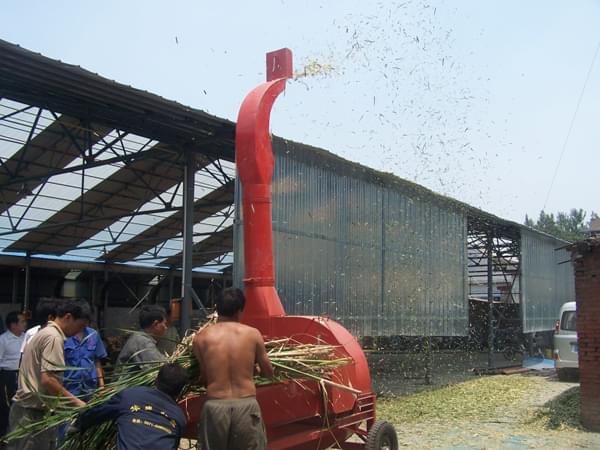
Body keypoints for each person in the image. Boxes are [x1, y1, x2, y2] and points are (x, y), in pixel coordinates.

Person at [192, 288, 273, 450]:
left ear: (217, 309)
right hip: (245, 405)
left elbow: (204, 377)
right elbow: (268, 373)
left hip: (215, 407)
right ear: (239, 310)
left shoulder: (201, 338)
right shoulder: (252, 334)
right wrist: (254, 370)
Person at [7, 299, 91, 450]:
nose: (79, 331)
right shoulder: (54, 337)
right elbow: (49, 380)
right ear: (68, 317)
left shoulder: (46, 332)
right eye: (80, 326)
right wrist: (77, 403)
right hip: (32, 414)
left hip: (30, 411)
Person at [69, 363, 188, 450]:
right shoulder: (179, 417)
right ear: (180, 390)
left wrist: (78, 424)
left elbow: (97, 413)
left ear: (156, 380)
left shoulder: (131, 396)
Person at [63, 320, 107, 401]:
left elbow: (97, 361)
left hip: (90, 389)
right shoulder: (65, 335)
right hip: (69, 389)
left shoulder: (93, 334)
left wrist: (102, 386)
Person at [0, 312, 26, 441]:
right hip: (8, 375)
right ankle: (4, 436)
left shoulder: (26, 337)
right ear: (13, 325)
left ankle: (19, 433)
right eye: (21, 322)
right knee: (7, 405)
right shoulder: (3, 339)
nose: (24, 324)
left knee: (21, 404)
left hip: (23, 374)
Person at [116, 305, 167, 371]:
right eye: (165, 324)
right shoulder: (143, 341)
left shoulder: (139, 337)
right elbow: (158, 366)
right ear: (156, 324)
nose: (166, 327)